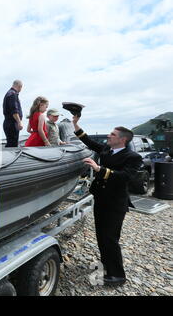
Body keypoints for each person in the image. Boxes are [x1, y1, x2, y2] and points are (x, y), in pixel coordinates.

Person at [72, 115, 142, 286]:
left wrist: (99, 169)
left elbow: (125, 177)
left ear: (122, 139)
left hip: (115, 203)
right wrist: (75, 123)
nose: (108, 136)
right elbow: (88, 141)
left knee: (110, 239)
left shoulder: (132, 157)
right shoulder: (106, 149)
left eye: (112, 134)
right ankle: (106, 267)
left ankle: (118, 276)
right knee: (101, 237)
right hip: (101, 199)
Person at [3, 80, 23, 147]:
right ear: (20, 86)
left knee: (11, 144)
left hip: (8, 123)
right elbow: (14, 111)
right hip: (12, 124)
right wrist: (19, 122)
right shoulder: (13, 94)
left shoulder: (9, 93)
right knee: (12, 146)